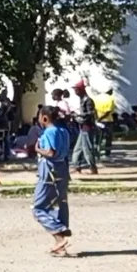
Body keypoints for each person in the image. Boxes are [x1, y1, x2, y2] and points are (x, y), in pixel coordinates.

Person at [32, 106, 72, 256]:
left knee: (38, 208)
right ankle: (60, 245)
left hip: (49, 170)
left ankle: (59, 234)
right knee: (59, 203)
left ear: (44, 118)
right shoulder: (64, 132)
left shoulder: (49, 132)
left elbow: (50, 152)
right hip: (62, 168)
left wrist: (37, 149)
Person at [71, 81, 98, 174]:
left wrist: (79, 115)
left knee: (87, 149)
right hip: (82, 127)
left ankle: (92, 167)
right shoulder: (82, 99)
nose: (75, 92)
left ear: (81, 90)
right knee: (78, 149)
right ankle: (76, 166)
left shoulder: (88, 100)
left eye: (76, 90)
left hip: (87, 127)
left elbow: (91, 113)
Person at [94, 88, 116, 157]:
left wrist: (97, 118)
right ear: (109, 91)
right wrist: (101, 118)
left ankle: (96, 152)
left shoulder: (96, 98)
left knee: (98, 137)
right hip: (108, 121)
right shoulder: (110, 98)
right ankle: (107, 153)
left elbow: (93, 109)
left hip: (98, 121)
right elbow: (108, 111)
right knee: (108, 138)